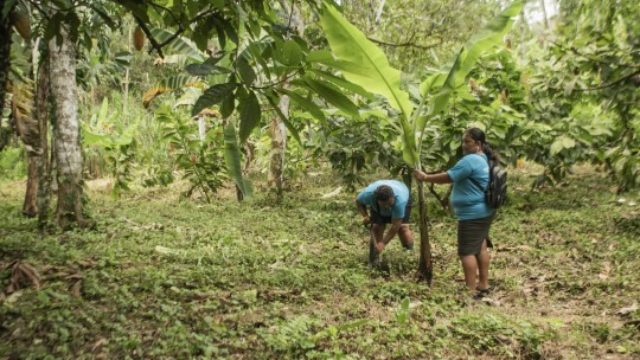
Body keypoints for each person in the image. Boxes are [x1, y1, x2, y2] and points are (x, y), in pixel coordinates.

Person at [414, 127, 497, 298]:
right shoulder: (483, 158)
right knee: (480, 247)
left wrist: (426, 177)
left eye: (468, 141)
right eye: (463, 141)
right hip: (483, 211)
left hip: (472, 214)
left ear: (478, 144)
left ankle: (470, 292)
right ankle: (483, 284)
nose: (464, 145)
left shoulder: (470, 160)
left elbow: (449, 177)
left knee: (466, 252)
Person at [355, 180, 414, 266]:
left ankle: (409, 254)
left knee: (402, 228)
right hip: (377, 207)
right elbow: (358, 202)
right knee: (377, 227)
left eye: (389, 204)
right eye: (384, 204)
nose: (387, 207)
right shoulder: (368, 195)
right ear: (376, 200)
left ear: (393, 197)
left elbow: (395, 226)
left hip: (402, 193)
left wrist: (383, 243)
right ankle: (374, 259)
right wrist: (365, 216)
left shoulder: (400, 201)